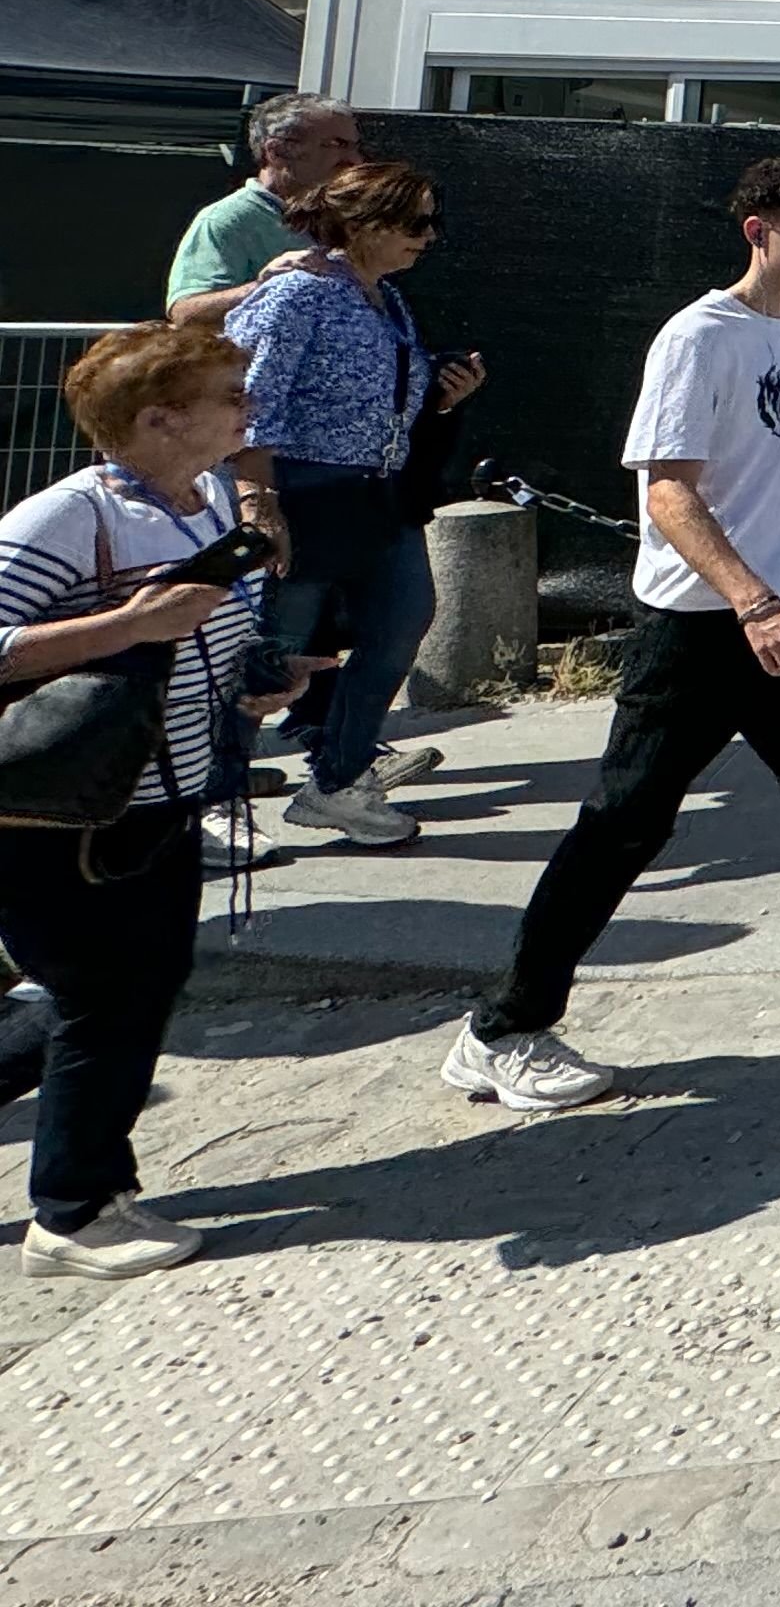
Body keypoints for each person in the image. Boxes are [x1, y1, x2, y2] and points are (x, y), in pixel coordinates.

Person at [443, 154, 780, 1111]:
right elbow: (667, 489)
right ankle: (503, 1029)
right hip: (703, 622)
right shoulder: (698, 337)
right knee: (625, 821)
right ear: (758, 232)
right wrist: (752, 600)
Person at [0, 324, 284, 1276]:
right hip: (63, 814)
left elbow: (203, 634)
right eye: (231, 396)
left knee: (136, 990)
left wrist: (260, 676)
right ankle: (72, 1214)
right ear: (162, 418)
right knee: (98, 995)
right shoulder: (70, 516)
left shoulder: (200, 502)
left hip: (164, 798)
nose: (248, 409)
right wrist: (127, 623)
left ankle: (94, 1186)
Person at [222, 158, 483, 848]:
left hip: (376, 495)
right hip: (303, 493)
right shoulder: (295, 295)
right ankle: (212, 797)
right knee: (271, 648)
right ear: (362, 223)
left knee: (403, 618)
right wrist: (259, 502)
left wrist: (440, 396)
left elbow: (379, 396)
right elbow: (251, 402)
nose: (428, 237)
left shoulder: (384, 297)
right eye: (414, 222)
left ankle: (338, 780)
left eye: (433, 222)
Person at [162, 94, 360, 330]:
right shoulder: (229, 219)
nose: (354, 160)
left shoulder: (345, 213)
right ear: (276, 151)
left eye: (355, 147)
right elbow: (187, 313)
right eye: (336, 145)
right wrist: (266, 286)